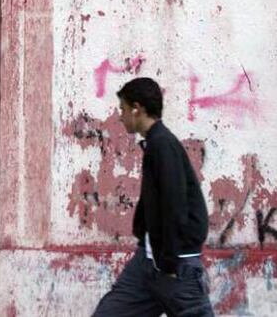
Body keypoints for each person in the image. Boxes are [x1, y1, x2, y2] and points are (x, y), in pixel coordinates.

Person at [92, 77, 214, 316]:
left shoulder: (163, 145)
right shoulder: (154, 144)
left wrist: (168, 263)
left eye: (123, 109)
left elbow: (174, 205)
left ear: (137, 109)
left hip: (175, 268)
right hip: (147, 264)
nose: (121, 116)